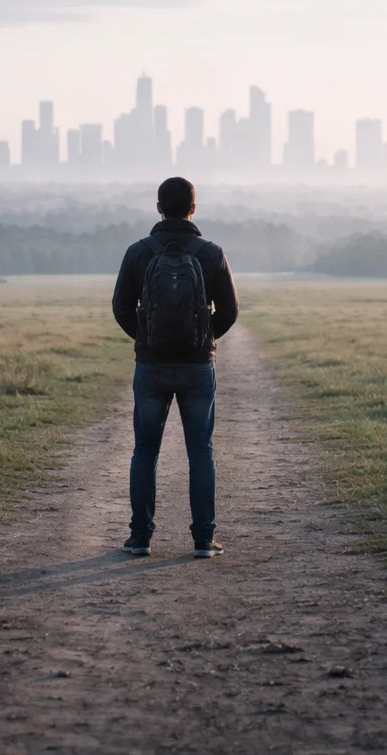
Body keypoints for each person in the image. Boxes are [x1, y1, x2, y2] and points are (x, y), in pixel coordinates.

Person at [112, 177, 239, 559]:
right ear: (193, 209)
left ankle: (140, 538)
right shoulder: (212, 253)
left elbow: (120, 308)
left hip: (150, 367)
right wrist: (204, 340)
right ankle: (203, 540)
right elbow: (230, 312)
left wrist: (147, 339)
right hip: (198, 368)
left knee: (144, 452)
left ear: (158, 208)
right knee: (200, 452)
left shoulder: (138, 252)